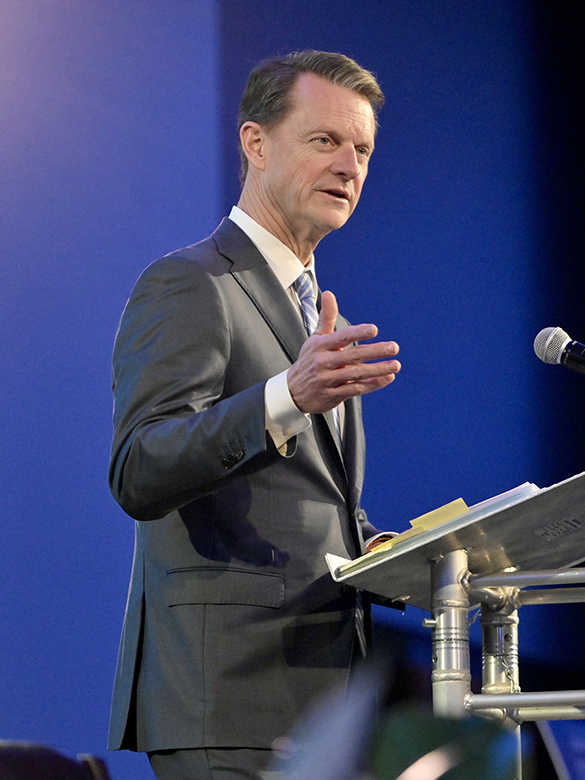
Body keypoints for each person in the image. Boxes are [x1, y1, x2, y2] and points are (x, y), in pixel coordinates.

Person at [106, 51, 401, 780]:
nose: (349, 166)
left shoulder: (315, 314)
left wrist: (388, 551)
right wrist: (286, 397)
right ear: (256, 142)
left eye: (362, 149)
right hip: (226, 699)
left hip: (320, 704)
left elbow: (291, 502)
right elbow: (140, 467)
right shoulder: (192, 283)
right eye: (325, 140)